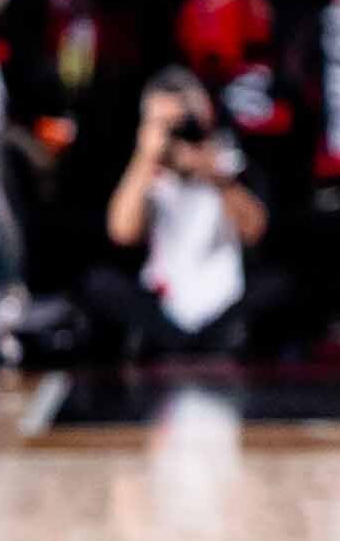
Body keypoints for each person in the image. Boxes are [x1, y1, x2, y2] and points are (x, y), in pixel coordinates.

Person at [78, 70, 280, 357]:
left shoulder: (228, 161)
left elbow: (255, 231)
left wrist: (213, 174)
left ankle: (205, 342)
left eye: (180, 124)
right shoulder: (146, 173)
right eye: (164, 125)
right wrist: (146, 157)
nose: (175, 134)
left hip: (224, 302)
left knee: (277, 286)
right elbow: (122, 233)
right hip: (162, 306)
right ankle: (178, 343)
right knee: (100, 284)